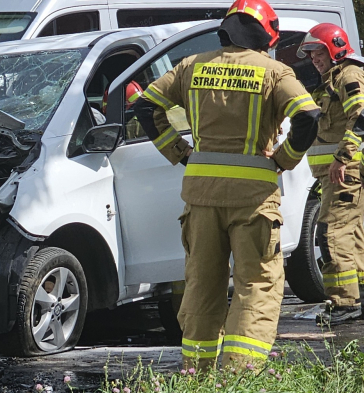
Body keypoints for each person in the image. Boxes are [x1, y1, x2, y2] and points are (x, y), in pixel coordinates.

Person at [133, 0, 320, 370]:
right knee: (257, 285)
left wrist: (181, 153)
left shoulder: (191, 66)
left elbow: (144, 106)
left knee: (202, 285)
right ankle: (238, 376)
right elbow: (308, 116)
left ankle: (197, 376)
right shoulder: (274, 72)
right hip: (253, 201)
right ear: (268, 36)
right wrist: (283, 159)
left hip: (201, 198)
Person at [298, 24, 364, 325]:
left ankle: (344, 303)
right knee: (352, 235)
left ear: (335, 48)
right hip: (335, 174)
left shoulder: (348, 76)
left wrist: (341, 158)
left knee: (331, 234)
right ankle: (357, 297)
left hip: (344, 172)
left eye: (318, 51)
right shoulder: (332, 81)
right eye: (311, 53)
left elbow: (361, 117)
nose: (314, 58)